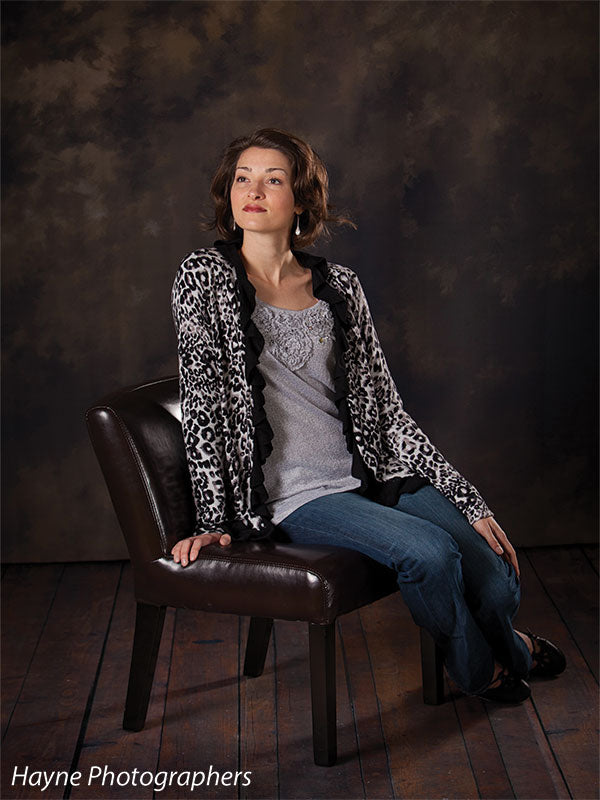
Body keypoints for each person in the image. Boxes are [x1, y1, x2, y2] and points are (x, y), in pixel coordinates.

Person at [170, 128, 565, 703]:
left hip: (370, 471)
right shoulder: (203, 276)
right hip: (295, 491)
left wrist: (465, 498)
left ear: (300, 200)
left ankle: (513, 645)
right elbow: (203, 403)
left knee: (493, 569)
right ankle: (484, 669)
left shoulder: (340, 287)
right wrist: (212, 516)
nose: (253, 191)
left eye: (273, 180)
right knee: (430, 554)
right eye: (242, 178)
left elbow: (385, 407)